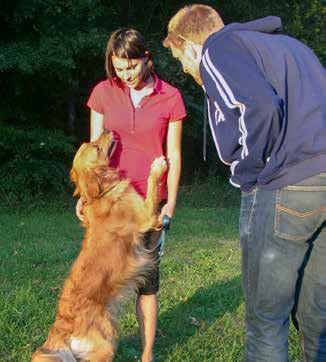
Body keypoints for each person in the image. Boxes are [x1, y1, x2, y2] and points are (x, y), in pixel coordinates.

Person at [163, 4, 326, 361]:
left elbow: (261, 108)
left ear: (190, 45)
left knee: (267, 322)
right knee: (318, 323)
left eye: (181, 60)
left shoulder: (218, 49)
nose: (187, 69)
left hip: (286, 184)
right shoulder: (292, 47)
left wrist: (250, 174)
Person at [77, 28, 186, 362]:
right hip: (110, 204)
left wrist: (171, 201)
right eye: (119, 68)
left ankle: (147, 354)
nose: (126, 75)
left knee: (147, 283)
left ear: (147, 59)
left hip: (150, 203)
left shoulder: (171, 97)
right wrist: (84, 195)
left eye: (132, 67)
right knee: (101, 281)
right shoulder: (102, 93)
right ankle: (90, 344)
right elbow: (94, 153)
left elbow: (175, 153)